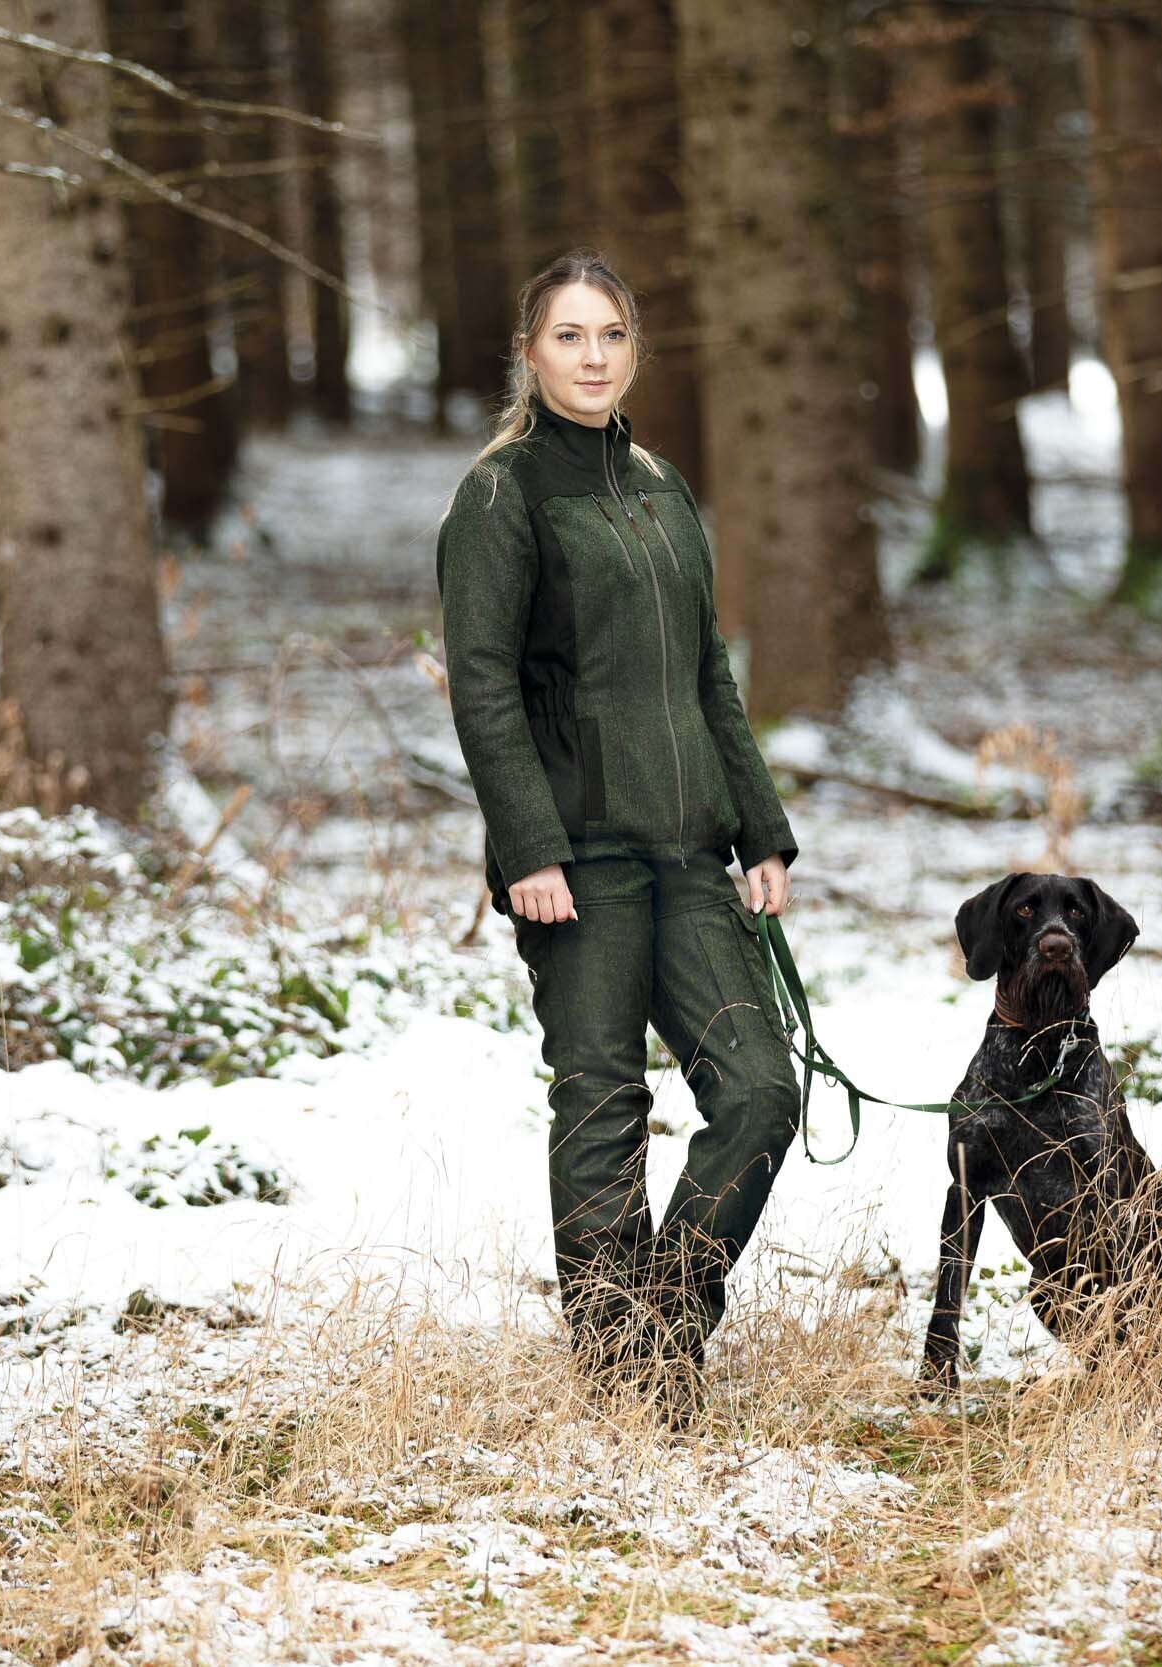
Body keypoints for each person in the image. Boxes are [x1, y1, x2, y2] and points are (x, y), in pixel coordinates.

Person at [434, 248, 803, 1420]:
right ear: (529, 353)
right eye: (569, 336)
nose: (592, 357)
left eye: (610, 336)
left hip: (687, 847)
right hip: (576, 855)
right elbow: (482, 685)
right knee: (601, 1102)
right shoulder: (500, 495)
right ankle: (623, 1372)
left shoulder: (660, 484)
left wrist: (760, 829)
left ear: (634, 350)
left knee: (760, 1089)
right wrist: (528, 846)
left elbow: (706, 674)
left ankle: (662, 1315)